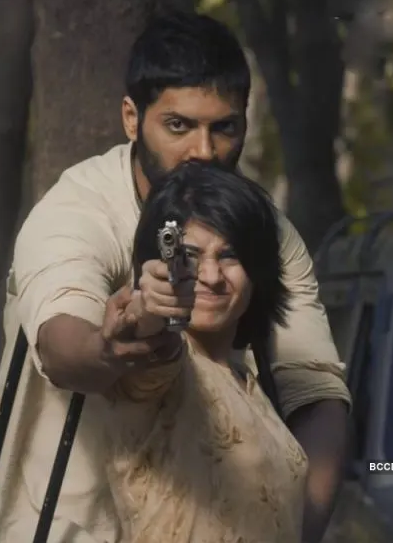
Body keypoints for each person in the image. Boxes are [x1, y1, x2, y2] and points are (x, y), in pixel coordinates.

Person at [0, 8, 350, 542]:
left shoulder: (268, 232)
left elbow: (317, 391)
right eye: (179, 125)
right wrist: (111, 345)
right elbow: (60, 340)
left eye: (224, 128)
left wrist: (296, 531)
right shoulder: (78, 211)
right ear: (131, 118)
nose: (203, 152)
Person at [106, 159, 303, 542]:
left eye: (229, 255)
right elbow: (145, 345)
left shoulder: (247, 380)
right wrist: (151, 306)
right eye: (190, 257)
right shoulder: (165, 364)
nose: (211, 277)